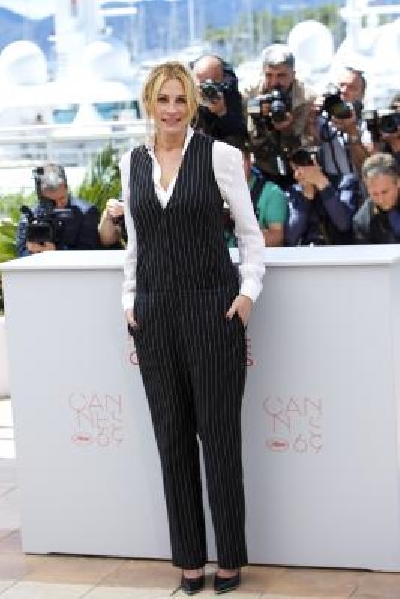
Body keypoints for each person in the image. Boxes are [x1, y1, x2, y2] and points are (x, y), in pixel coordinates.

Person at [120, 61, 265, 595]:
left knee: (220, 439)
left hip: (213, 311)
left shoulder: (219, 156)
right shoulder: (132, 162)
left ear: (193, 105)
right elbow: (135, 242)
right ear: (149, 103)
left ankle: (229, 556)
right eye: (164, 99)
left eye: (181, 99)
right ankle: (188, 558)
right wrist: (129, 299)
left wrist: (247, 294)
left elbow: (250, 236)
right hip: (154, 316)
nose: (173, 109)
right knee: (171, 440)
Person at [245, 44, 315, 188]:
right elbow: (245, 138)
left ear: (293, 75)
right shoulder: (249, 95)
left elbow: (308, 143)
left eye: (281, 75)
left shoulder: (306, 99)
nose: (274, 82)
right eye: (269, 75)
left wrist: (287, 129)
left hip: (297, 171)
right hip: (259, 165)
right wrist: (259, 119)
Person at [16, 164, 100, 256]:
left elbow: (89, 251)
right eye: (52, 202)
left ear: (66, 188)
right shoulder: (29, 217)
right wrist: (32, 251)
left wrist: (56, 252)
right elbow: (21, 252)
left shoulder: (86, 212)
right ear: (41, 198)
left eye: (62, 198)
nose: (59, 205)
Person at [285, 148, 359, 246]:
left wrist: (323, 185)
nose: (296, 175)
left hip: (338, 248)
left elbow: (344, 223)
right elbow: (291, 237)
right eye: (295, 170)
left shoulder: (345, 181)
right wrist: (305, 199)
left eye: (300, 168)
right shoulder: (295, 191)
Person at [191, 54, 248, 147]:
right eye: (202, 84)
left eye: (214, 82)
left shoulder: (231, 98)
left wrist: (222, 113)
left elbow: (240, 139)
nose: (208, 90)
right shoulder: (184, 100)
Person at [353, 152, 400, 243]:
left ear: (398, 182)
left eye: (384, 192)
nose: (381, 200)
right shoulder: (362, 221)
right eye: (374, 194)